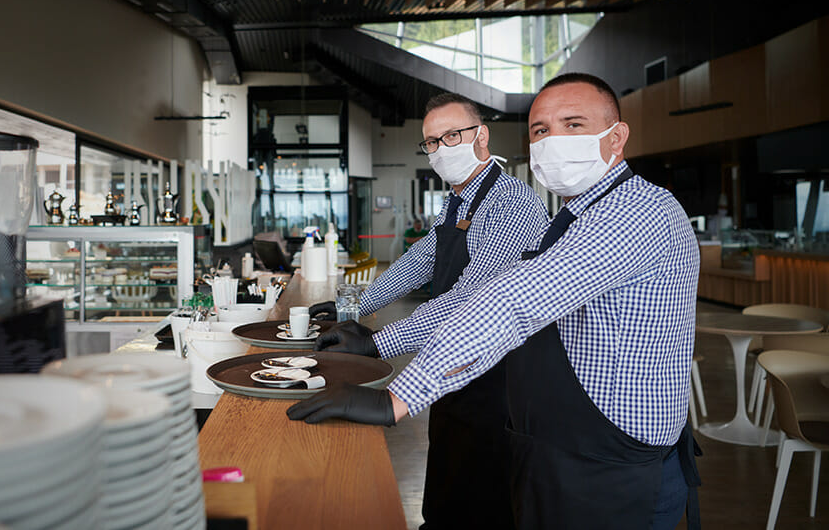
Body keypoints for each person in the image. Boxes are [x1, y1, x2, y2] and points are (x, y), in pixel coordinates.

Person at [290, 74, 702, 530]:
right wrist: (358, 309)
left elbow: (505, 300)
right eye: (541, 130)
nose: (554, 140)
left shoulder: (632, 213)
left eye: (574, 124)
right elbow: (418, 262)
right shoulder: (563, 214)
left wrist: (394, 388)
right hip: (557, 439)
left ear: (616, 137)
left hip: (611, 460)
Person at [303, 92, 549, 530]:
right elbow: (419, 262)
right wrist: (359, 305)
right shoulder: (457, 199)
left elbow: (472, 298)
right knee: (447, 479)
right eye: (431, 142)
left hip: (496, 376)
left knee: (483, 494)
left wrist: (380, 342)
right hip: (450, 368)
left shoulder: (511, 202)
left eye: (451, 135)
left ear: (481, 136)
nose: (440, 149)